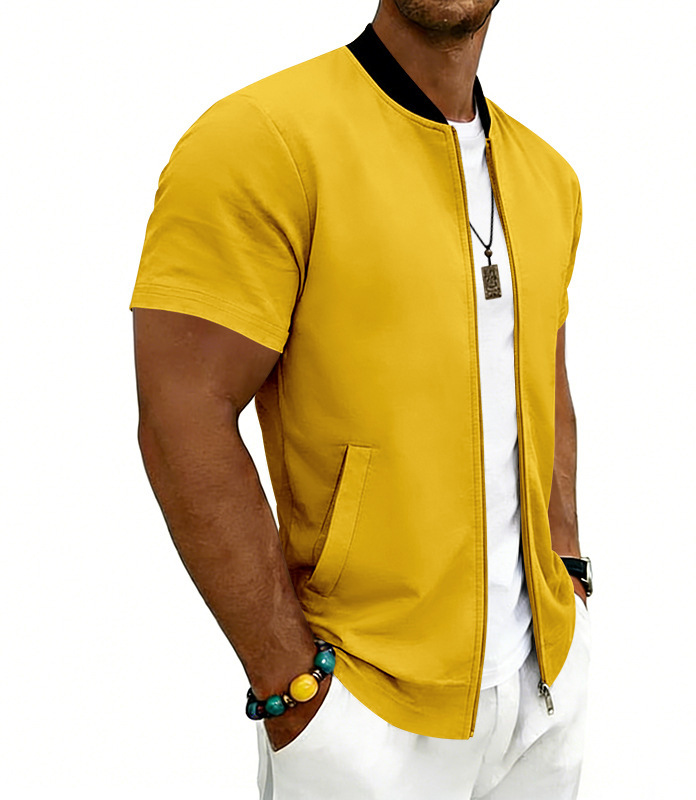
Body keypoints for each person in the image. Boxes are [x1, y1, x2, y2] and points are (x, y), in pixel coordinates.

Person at [130, 1, 592, 797]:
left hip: (543, 696)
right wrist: (290, 684)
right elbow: (183, 413)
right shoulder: (261, 141)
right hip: (363, 712)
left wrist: (569, 571)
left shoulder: (548, 175)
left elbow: (543, 378)